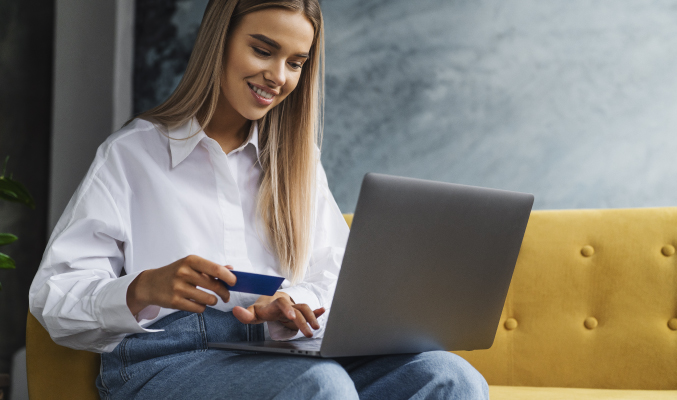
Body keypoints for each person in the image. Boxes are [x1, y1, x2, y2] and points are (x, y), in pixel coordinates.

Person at [29, 0, 489, 398]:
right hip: (167, 361)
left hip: (282, 352)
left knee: (450, 378)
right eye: (263, 50)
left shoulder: (298, 163)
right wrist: (141, 287)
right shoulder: (132, 155)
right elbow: (54, 297)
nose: (278, 77)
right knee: (319, 386)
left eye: (296, 62)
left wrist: (291, 304)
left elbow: (335, 278)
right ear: (220, 41)